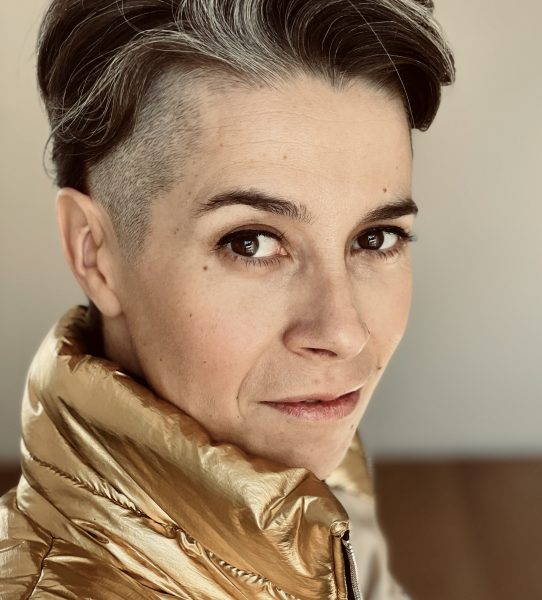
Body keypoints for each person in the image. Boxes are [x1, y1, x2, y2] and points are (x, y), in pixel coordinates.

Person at [0, 0, 454, 597]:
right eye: (251, 242)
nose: (343, 333)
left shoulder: (299, 455)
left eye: (376, 238)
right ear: (94, 252)